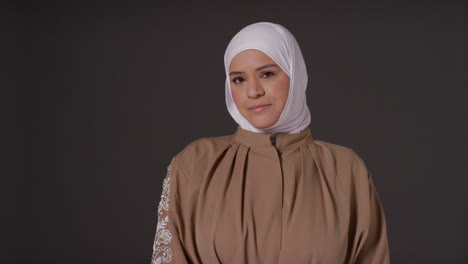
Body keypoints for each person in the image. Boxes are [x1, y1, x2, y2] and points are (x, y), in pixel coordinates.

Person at [150, 22, 390, 264]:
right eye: (239, 79)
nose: (253, 91)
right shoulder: (194, 163)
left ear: (294, 74)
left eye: (267, 74)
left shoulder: (345, 169)